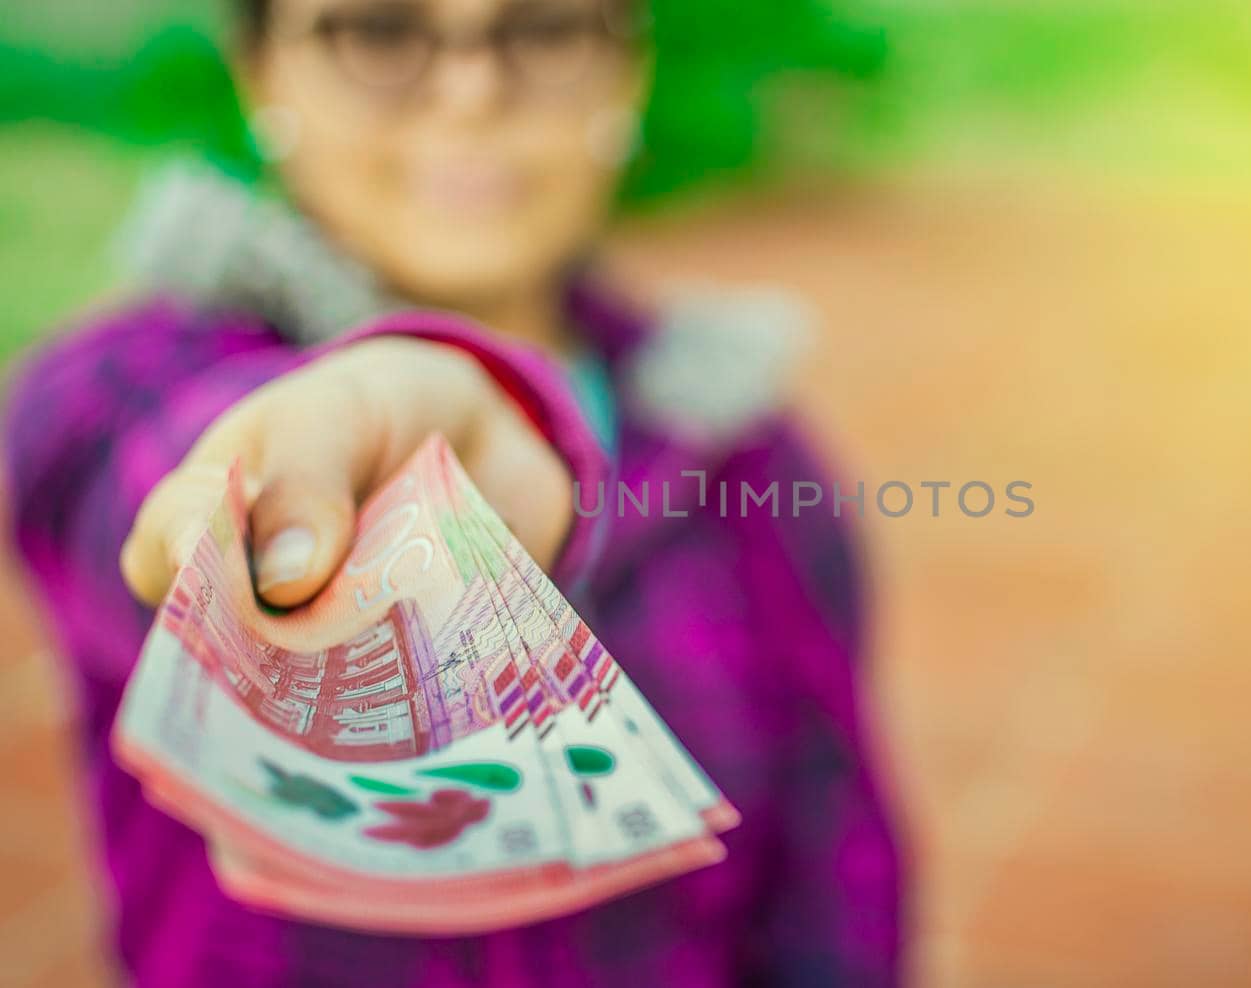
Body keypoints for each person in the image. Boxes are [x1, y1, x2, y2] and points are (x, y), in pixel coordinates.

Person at [1, 0, 903, 983]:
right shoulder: (112, 386)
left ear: (625, 73)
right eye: (378, 31)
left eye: (545, 31)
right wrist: (332, 459)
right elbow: (132, 490)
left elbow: (834, 866)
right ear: (262, 73)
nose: (471, 92)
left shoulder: (759, 464)